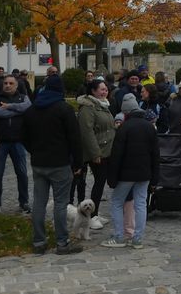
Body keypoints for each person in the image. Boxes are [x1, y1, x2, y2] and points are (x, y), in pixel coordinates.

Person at [20, 73, 84, 255]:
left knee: (39, 203)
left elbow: (23, 136)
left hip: (39, 163)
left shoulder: (31, 110)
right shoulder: (64, 109)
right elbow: (75, 138)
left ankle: (39, 242)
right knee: (60, 203)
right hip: (60, 163)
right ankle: (62, 243)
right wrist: (78, 162)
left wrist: (34, 150)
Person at [103, 94, 159, 248]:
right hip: (145, 172)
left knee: (117, 202)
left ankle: (119, 237)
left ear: (126, 112)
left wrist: (112, 178)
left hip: (126, 174)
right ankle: (137, 239)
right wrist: (155, 177)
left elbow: (117, 155)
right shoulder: (149, 126)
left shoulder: (124, 128)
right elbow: (156, 154)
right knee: (140, 204)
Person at [76, 78, 116, 230]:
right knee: (99, 182)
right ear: (93, 91)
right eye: (102, 89)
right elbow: (87, 132)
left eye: (106, 89)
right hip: (97, 151)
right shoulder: (88, 107)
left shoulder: (103, 105)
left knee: (101, 182)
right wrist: (95, 153)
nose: (105, 91)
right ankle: (90, 216)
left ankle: (96, 213)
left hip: (106, 150)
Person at [0, 74, 32, 214]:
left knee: (22, 173)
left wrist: (9, 106)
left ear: (16, 85)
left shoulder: (23, 97)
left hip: (18, 141)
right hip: (0, 142)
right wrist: (17, 111)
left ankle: (24, 201)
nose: (7, 85)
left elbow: (28, 107)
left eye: (10, 83)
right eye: (5, 83)